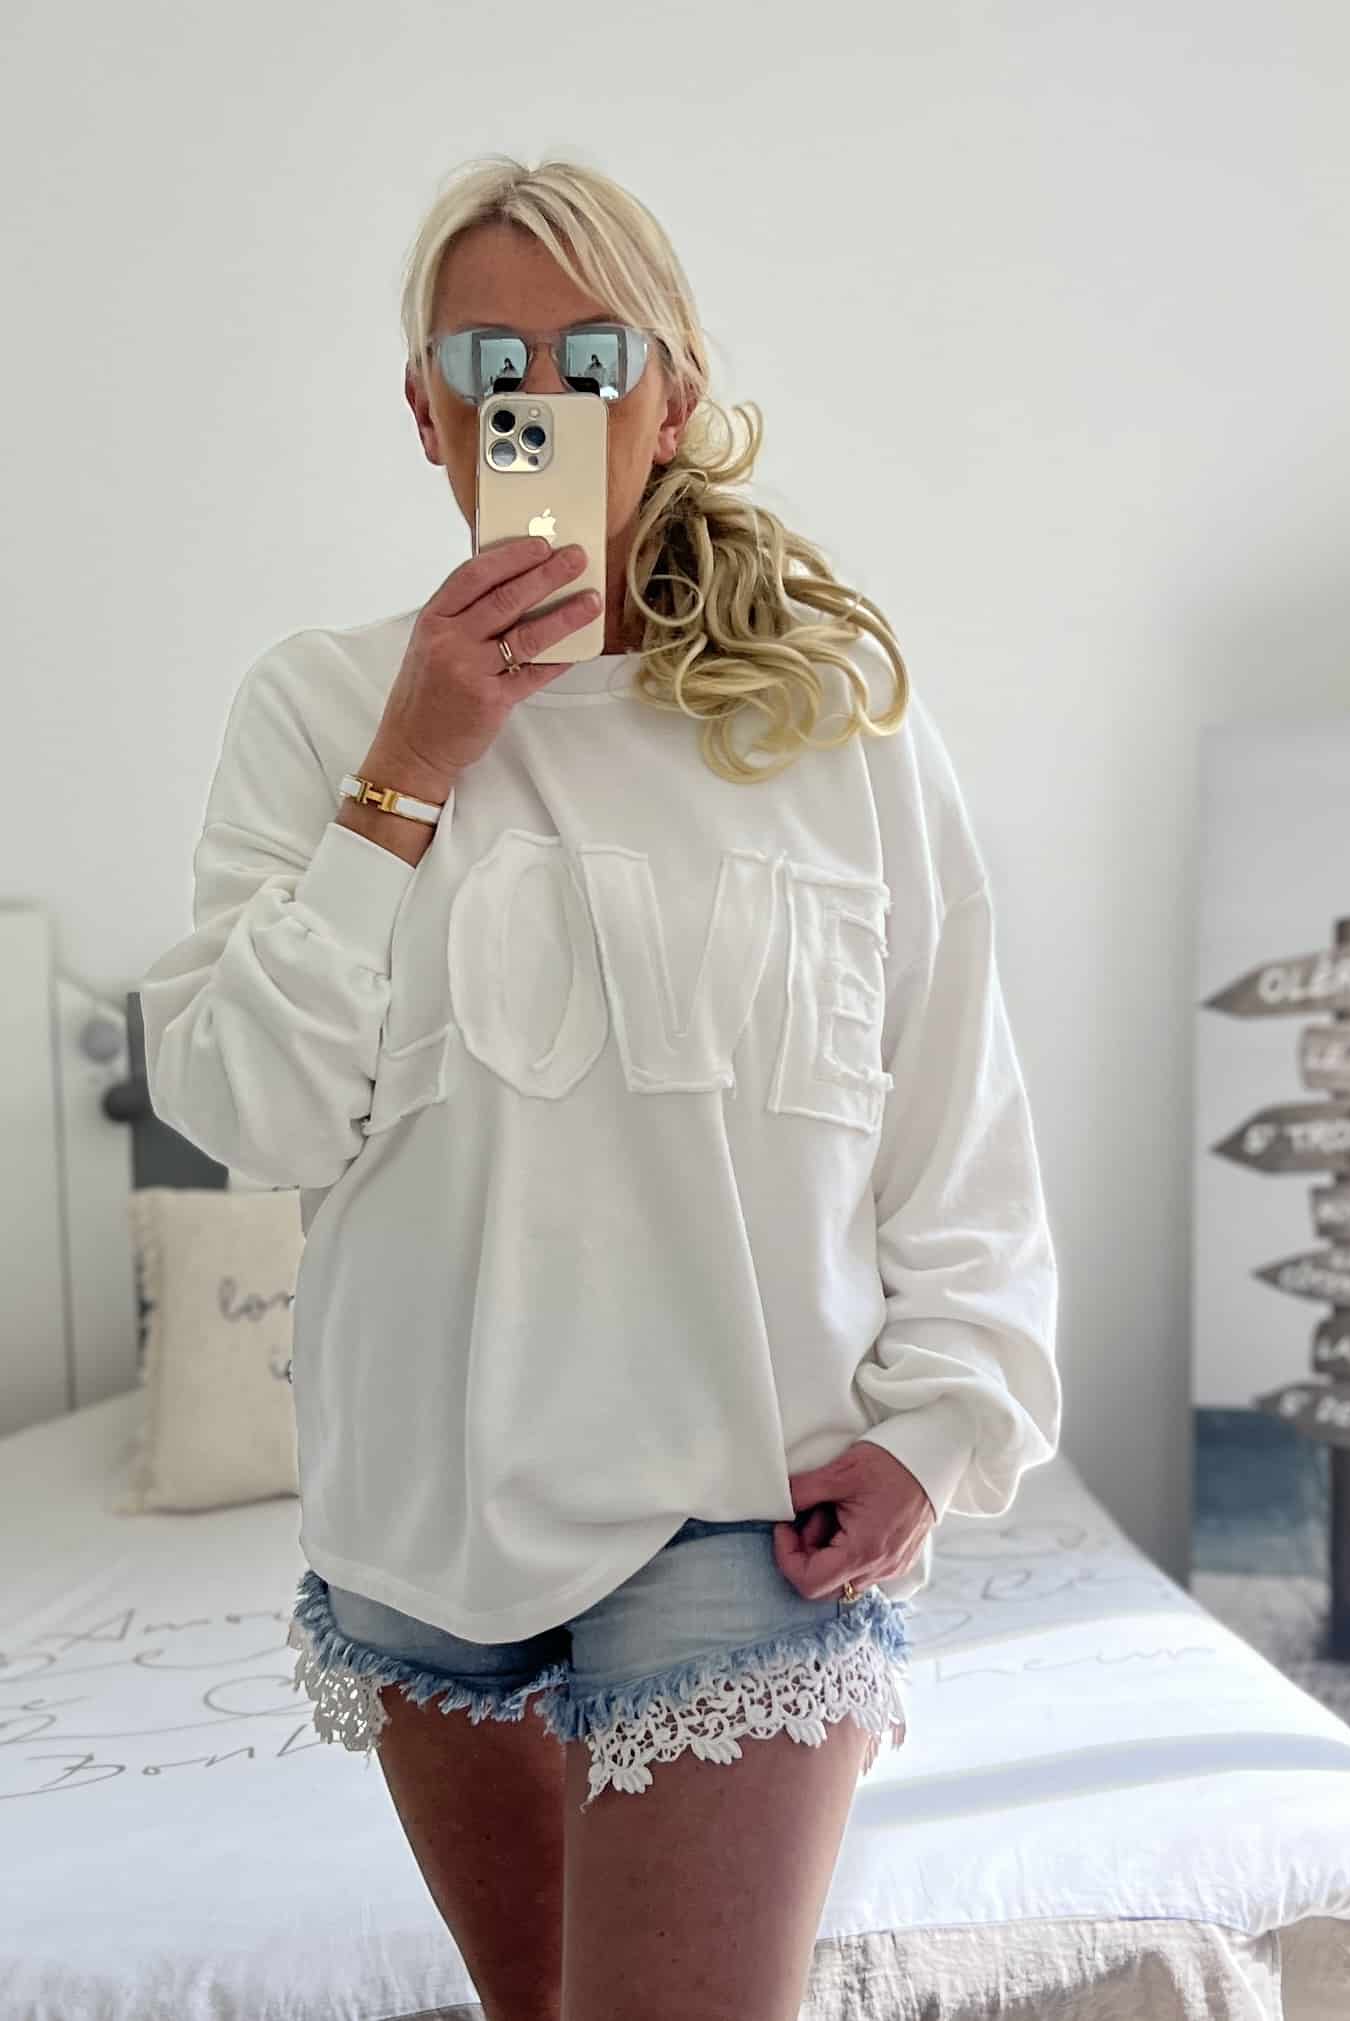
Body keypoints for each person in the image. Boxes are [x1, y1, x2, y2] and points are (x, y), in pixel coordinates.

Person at [139, 153, 1061, 2021]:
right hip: (423, 1512)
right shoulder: (318, 708)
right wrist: (413, 762)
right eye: (487, 360)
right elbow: (253, 1109)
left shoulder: (834, 722)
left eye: (592, 355)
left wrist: (951, 1418)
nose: (536, 397)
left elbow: (952, 1093)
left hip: (742, 1493)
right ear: (424, 410)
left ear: (675, 396)